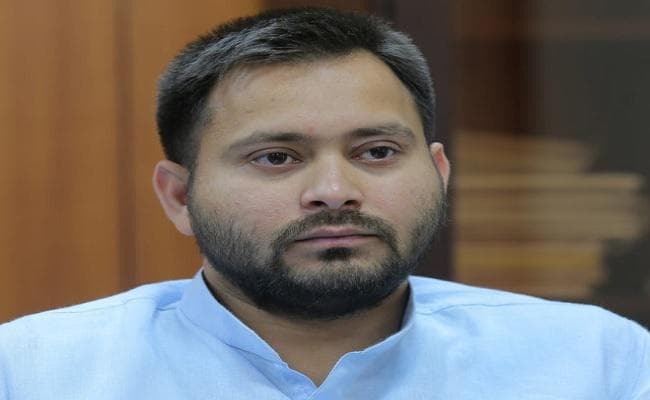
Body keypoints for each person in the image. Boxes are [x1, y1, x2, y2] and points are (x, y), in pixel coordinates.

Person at [1, 7, 649, 399]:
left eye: (377, 152)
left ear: (438, 173)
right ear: (179, 197)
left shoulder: (595, 363)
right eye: (276, 158)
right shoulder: (32, 375)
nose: (335, 191)